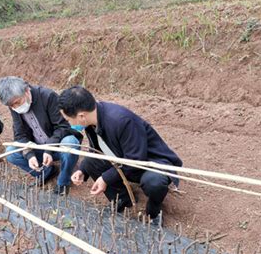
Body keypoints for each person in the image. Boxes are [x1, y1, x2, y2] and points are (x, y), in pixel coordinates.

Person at [58, 86, 183, 225]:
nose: (69, 123)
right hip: (124, 159)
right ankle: (122, 199)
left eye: (69, 119)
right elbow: (97, 151)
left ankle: (154, 211)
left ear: (81, 116)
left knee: (154, 182)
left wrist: (106, 178)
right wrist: (82, 170)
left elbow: (136, 160)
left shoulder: (121, 120)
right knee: (89, 163)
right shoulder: (91, 122)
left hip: (149, 162)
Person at [0, 76, 82, 195]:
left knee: (71, 143)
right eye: (12, 106)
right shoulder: (15, 107)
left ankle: (63, 181)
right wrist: (29, 155)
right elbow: (20, 135)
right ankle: (45, 172)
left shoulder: (47, 97)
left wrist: (49, 149)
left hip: (58, 145)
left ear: (27, 91)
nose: (16, 107)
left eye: (17, 103)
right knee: (11, 152)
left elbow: (63, 127)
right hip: (38, 147)